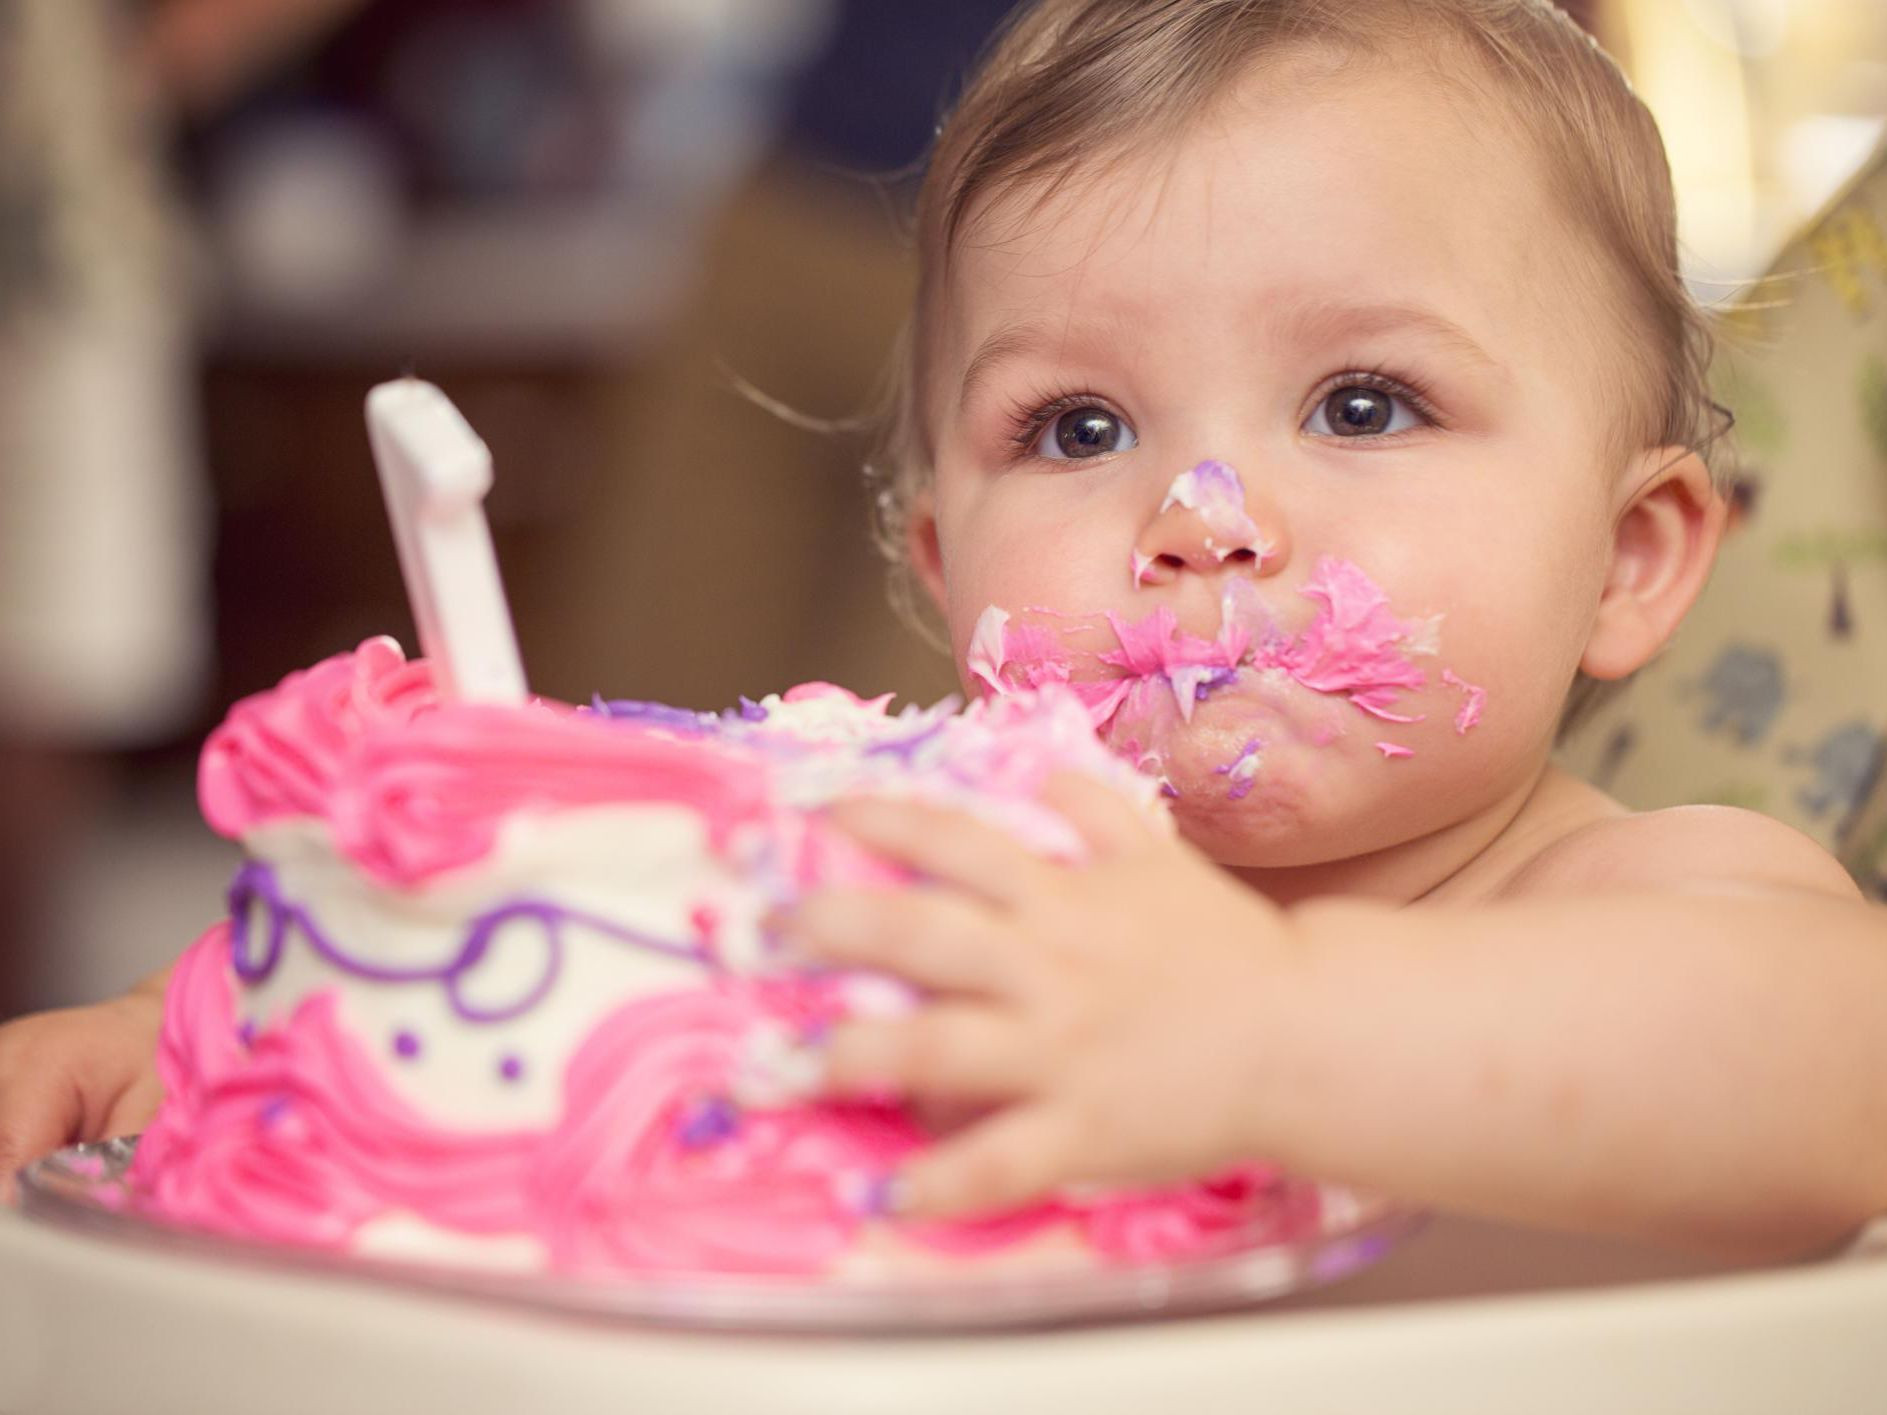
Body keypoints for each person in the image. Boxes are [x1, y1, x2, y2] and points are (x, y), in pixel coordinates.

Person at [3, 0, 1884, 1261]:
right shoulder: (914, 915)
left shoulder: (1644, 906)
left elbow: (1835, 1073)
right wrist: (190, 1044)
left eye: (1366, 404)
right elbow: (551, 1015)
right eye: (1077, 429)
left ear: (1634, 557)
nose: (1200, 520)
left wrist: (1272, 1031)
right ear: (936, 566)